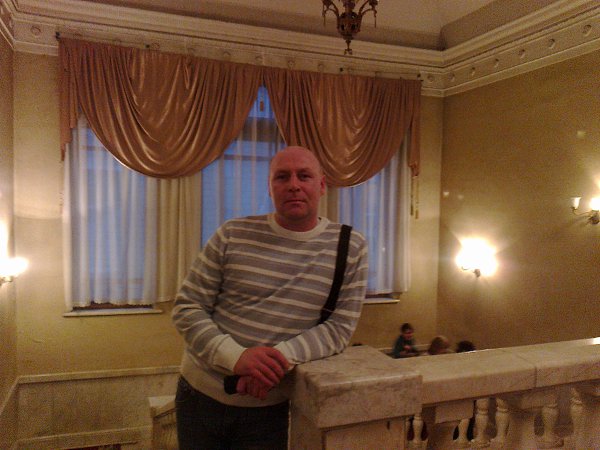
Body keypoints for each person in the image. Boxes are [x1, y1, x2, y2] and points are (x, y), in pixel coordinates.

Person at [172, 146, 369, 449]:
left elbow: (339, 329)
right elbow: (188, 307)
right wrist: (237, 358)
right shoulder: (231, 234)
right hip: (200, 397)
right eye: (282, 177)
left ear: (321, 185)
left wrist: (270, 363)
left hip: (271, 409)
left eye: (304, 176)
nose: (294, 185)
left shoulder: (350, 246)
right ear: (270, 187)